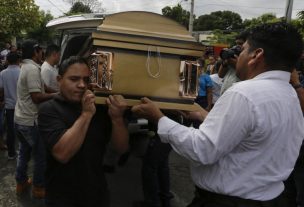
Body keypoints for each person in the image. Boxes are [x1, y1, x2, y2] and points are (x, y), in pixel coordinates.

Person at [131, 22, 304, 207]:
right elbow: (254, 135)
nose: (238, 55)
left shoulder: (244, 93)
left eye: (243, 49)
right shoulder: (289, 94)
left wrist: (159, 118)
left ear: (257, 54)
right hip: (271, 199)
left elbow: (202, 149)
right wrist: (202, 116)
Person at [38, 56, 129, 207]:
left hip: (97, 194)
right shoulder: (49, 109)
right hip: (62, 197)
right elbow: (62, 154)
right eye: (74, 79)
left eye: (86, 80)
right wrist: (86, 115)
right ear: (59, 80)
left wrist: (117, 119)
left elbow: (121, 148)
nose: (81, 85)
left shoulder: (99, 108)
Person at [14, 39, 57, 199]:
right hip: (30, 121)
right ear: (35, 51)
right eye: (41, 51)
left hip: (20, 120)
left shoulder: (28, 67)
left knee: (24, 153)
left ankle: (21, 182)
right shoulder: (31, 69)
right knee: (40, 155)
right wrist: (58, 95)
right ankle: (38, 188)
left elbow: (44, 88)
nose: (43, 55)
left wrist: (57, 92)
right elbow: (37, 97)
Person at [0, 52, 21, 159]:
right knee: (22, 129)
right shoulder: (21, 72)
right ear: (18, 60)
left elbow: (1, 90)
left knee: (10, 131)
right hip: (21, 106)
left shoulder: (3, 73)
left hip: (9, 106)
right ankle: (23, 153)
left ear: (7, 60)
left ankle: (11, 153)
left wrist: (2, 100)